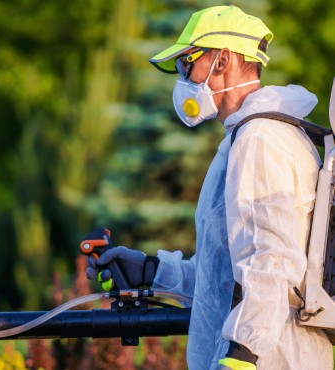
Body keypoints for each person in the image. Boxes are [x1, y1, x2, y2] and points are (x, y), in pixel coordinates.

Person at [85, 5, 333, 370]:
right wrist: (152, 271)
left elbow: (271, 262)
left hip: (271, 359)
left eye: (188, 62)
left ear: (223, 61)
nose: (182, 76)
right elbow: (223, 277)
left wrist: (241, 357)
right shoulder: (245, 136)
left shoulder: (260, 138)